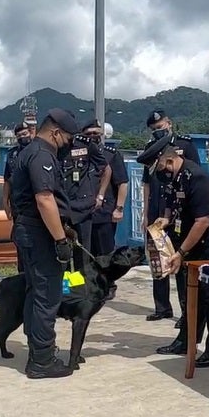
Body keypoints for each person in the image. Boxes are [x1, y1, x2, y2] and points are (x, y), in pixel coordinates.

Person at [137, 135, 209, 367]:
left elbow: (203, 221)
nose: (158, 173)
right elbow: (172, 205)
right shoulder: (173, 178)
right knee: (193, 294)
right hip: (193, 240)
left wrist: (180, 252)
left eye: (159, 167)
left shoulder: (197, 178)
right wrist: (164, 221)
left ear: (169, 160)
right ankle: (186, 341)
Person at [11, 108, 79, 379]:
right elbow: (44, 199)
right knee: (47, 296)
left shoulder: (27, 152)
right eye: (67, 138)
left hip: (28, 231)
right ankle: (41, 360)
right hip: (39, 235)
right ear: (55, 132)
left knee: (34, 291)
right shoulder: (41, 155)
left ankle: (37, 348)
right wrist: (60, 238)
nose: (68, 144)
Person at [141, 109, 200, 325]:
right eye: (154, 129)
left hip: (177, 213)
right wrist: (145, 213)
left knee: (179, 261)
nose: (158, 131)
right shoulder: (150, 150)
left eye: (161, 127)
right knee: (158, 259)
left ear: (169, 123)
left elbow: (194, 176)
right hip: (157, 210)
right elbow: (146, 184)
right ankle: (162, 307)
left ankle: (185, 311)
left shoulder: (185, 146)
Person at [83, 121, 128, 300]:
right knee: (86, 254)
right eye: (89, 133)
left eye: (96, 133)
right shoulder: (77, 155)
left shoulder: (110, 155)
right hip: (83, 214)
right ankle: (89, 286)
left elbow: (122, 183)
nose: (93, 136)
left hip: (105, 213)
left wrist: (119, 208)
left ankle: (109, 285)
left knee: (106, 254)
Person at [61, 119, 111, 262]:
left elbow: (106, 168)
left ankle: (81, 284)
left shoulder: (86, 145)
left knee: (82, 254)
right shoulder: (57, 146)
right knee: (62, 253)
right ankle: (65, 284)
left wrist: (100, 195)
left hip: (82, 207)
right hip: (62, 207)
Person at [2, 122, 32, 272]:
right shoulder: (12, 154)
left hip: (35, 205)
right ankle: (23, 274)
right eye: (19, 136)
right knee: (20, 240)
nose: (22, 138)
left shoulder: (39, 150)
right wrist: (5, 202)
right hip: (17, 205)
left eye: (25, 134)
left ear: (31, 132)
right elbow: (7, 179)